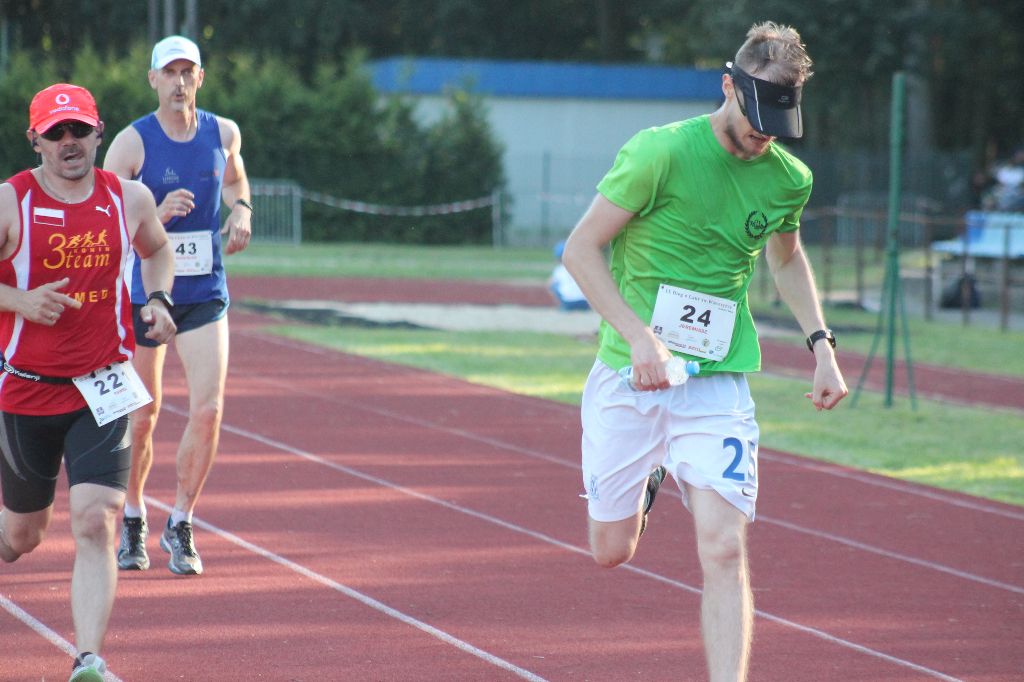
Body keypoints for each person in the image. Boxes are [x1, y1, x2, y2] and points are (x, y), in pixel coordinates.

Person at [562, 23, 847, 682]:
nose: (764, 133)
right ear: (728, 85)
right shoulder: (658, 152)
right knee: (612, 550)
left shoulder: (787, 179)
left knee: (722, 547)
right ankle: (653, 473)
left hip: (716, 382)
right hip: (630, 375)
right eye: (755, 115)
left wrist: (821, 345)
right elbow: (580, 250)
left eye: (779, 120)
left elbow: (787, 258)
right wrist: (639, 335)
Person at [0, 84, 175, 682]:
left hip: (102, 385)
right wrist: (18, 300)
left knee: (98, 517)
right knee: (22, 534)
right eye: (56, 134)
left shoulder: (129, 199)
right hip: (27, 389)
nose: (69, 143)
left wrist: (157, 297)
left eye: (78, 130)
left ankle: (89, 661)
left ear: (99, 133)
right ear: (36, 141)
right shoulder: (10, 202)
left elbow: (158, 250)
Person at [103, 35, 252, 576]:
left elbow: (236, 179)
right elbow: (101, 219)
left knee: (209, 408)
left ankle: (182, 520)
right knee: (143, 416)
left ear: (201, 78)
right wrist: (153, 216)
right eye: (170, 73)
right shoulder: (131, 144)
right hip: (145, 294)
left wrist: (242, 212)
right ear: (153, 80)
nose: (180, 82)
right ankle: (136, 516)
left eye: (188, 72)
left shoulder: (224, 132)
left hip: (205, 293)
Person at [548, 240, 591, 311]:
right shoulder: (581, 267)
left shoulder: (559, 269)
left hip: (568, 302)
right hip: (584, 302)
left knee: (553, 285)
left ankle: (561, 306)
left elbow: (550, 283)